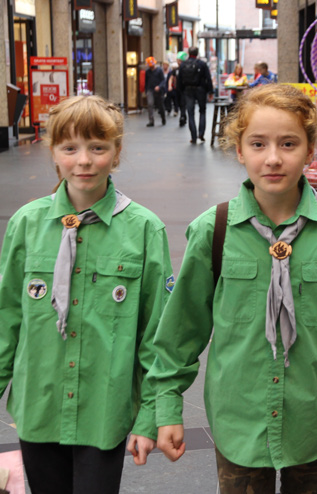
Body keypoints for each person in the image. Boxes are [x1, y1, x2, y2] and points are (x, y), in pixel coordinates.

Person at [148, 84, 317, 493]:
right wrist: (167, 405)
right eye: (258, 144)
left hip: (316, 419)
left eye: (289, 143)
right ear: (239, 150)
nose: (273, 158)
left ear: (311, 150)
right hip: (239, 420)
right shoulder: (214, 230)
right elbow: (181, 327)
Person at [0, 95, 174, 493]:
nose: (84, 161)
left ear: (116, 153)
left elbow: (157, 335)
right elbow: (6, 317)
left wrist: (151, 416)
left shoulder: (145, 230)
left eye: (98, 147)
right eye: (70, 148)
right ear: (53, 152)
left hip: (103, 410)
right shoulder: (27, 224)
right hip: (38, 404)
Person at [177, 46, 213, 144]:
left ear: (188, 53)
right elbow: (208, 78)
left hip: (188, 90)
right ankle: (201, 133)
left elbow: (179, 79)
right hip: (201, 89)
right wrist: (210, 91)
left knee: (190, 113)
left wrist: (181, 91)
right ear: (197, 54)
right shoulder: (202, 64)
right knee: (202, 111)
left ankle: (193, 136)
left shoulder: (183, 64)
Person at [145, 56, 166, 127]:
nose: (151, 67)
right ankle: (151, 121)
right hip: (150, 90)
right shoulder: (147, 72)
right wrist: (146, 91)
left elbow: (163, 80)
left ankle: (163, 118)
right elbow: (146, 82)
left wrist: (159, 86)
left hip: (159, 91)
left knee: (160, 106)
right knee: (150, 104)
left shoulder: (159, 70)